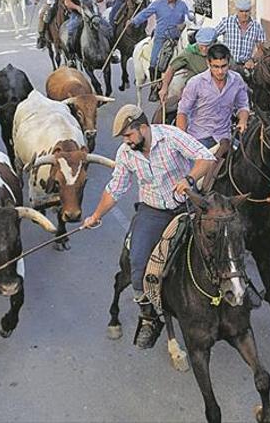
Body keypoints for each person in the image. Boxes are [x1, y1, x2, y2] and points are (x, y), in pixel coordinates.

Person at [83, 104, 215, 348]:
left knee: (222, 240)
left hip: (187, 205)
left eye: (129, 134)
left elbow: (205, 157)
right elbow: (116, 188)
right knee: (137, 261)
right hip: (152, 211)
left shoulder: (170, 136)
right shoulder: (126, 153)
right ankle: (149, 318)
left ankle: (240, 291)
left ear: (142, 127)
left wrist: (188, 178)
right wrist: (96, 215)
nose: (126, 141)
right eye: (124, 137)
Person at [176, 43, 249, 148]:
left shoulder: (237, 80)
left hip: (225, 137)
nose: (220, 71)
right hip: (199, 138)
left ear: (229, 63)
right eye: (216, 67)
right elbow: (182, 112)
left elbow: (243, 106)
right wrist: (183, 141)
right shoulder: (195, 83)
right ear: (208, 63)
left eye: (223, 66)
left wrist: (243, 121)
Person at [129, 0, 190, 81]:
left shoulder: (182, 5)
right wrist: (134, 21)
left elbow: (189, 19)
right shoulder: (158, 3)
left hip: (177, 37)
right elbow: (146, 13)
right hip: (161, 36)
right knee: (154, 61)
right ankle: (154, 86)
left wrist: (183, 24)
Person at [159, 27, 215, 103]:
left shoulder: (221, 51)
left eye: (208, 46)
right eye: (201, 46)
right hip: (195, 90)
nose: (204, 49)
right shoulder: (188, 53)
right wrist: (164, 88)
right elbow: (172, 68)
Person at [214, 0, 267, 69]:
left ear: (250, 11)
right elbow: (213, 36)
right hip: (228, 64)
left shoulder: (257, 27)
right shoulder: (227, 22)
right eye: (241, 11)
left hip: (245, 66)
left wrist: (252, 60)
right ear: (237, 11)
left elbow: (261, 49)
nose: (244, 14)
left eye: (246, 11)